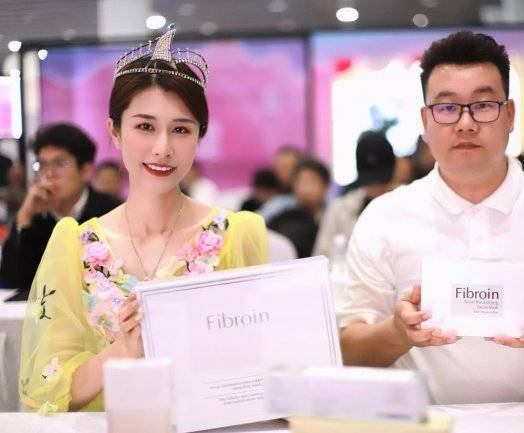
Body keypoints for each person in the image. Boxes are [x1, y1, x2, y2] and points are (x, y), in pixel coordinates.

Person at [338, 31, 524, 404]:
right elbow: (350, 352)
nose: (465, 123)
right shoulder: (384, 217)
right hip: (429, 423)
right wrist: (397, 332)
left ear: (509, 115)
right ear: (425, 121)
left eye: (483, 105)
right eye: (447, 108)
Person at [19, 25, 268, 413]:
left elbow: (260, 365)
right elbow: (49, 393)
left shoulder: (235, 236)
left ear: (199, 137)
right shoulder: (75, 246)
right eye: (145, 127)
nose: (162, 148)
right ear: (115, 131)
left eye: (181, 129)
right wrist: (123, 349)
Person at [0, 123, 121, 292]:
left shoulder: (111, 211)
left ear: (85, 171)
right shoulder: (34, 216)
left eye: (60, 163)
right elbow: (12, 281)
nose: (49, 173)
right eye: (42, 164)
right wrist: (24, 216)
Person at [313, 130, 395, 258]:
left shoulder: (408, 204)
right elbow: (322, 256)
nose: (375, 187)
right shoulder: (340, 209)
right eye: (370, 181)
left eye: (381, 180)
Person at [268, 158, 329, 258]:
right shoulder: (283, 217)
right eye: (301, 181)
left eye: (311, 181)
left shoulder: (334, 216)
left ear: (325, 186)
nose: (306, 189)